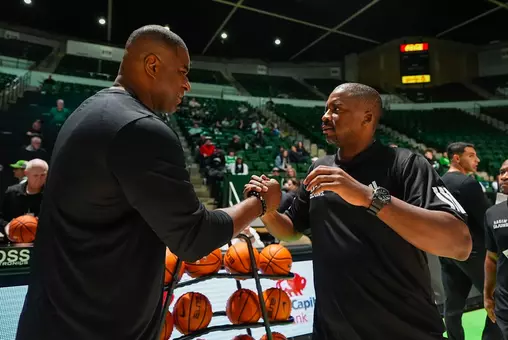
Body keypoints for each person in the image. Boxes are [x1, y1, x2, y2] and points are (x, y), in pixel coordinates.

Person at [16, 25, 276, 340]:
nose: (187, 84)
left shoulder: (88, 111)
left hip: (55, 318)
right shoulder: (140, 128)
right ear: (152, 66)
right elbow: (194, 237)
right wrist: (260, 203)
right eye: (182, 72)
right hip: (94, 327)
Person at [244, 83, 472, 340]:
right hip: (330, 332)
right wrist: (268, 211)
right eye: (326, 108)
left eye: (336, 109)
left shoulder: (407, 164)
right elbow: (291, 230)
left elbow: (459, 242)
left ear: (367, 117)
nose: (325, 116)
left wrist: (368, 197)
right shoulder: (319, 168)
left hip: (404, 330)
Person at [439, 142, 501, 340]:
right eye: (472, 156)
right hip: (474, 250)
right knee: (497, 298)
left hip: (447, 249)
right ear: (457, 158)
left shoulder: (439, 181)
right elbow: (487, 217)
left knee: (453, 305)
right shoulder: (468, 183)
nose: (477, 160)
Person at [485, 159, 508, 339]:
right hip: (505, 302)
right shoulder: (493, 213)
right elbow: (491, 257)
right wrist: (487, 295)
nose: (504, 177)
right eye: (502, 172)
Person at [1, 159, 48, 238]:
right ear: (26, 173)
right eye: (35, 175)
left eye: (43, 175)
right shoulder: (12, 193)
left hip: (42, 241)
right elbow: (1, 217)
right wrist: (6, 226)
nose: (39, 179)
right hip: (14, 240)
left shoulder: (50, 195)